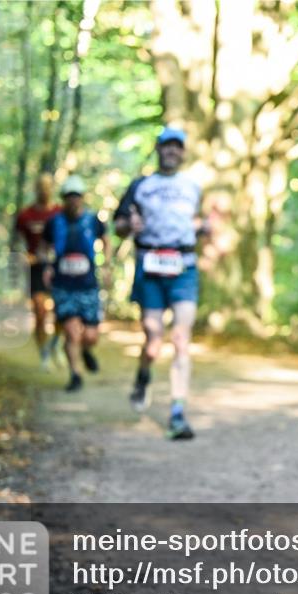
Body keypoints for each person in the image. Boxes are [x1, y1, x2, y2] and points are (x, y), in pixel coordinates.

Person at [114, 126, 209, 440]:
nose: (172, 151)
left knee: (181, 338)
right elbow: (118, 226)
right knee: (153, 339)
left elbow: (200, 223)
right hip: (150, 267)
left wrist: (206, 229)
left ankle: (177, 413)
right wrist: (129, 225)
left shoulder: (193, 186)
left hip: (184, 267)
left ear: (183, 152)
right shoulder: (140, 186)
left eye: (177, 146)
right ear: (158, 149)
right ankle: (143, 376)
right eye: (167, 145)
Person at [42, 175, 109, 392]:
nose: (73, 199)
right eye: (69, 196)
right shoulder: (54, 222)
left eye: (76, 195)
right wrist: (47, 266)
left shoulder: (92, 221)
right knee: (71, 331)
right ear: (63, 198)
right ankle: (76, 375)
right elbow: (44, 247)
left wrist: (106, 265)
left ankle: (86, 350)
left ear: (82, 197)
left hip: (88, 285)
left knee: (90, 336)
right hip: (63, 286)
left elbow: (106, 240)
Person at [14, 174, 62, 369]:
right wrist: (23, 256)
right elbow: (17, 243)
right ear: (35, 189)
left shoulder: (60, 213)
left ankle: (55, 344)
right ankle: (44, 354)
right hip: (35, 268)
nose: (44, 190)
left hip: (58, 267)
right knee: (40, 311)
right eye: (41, 186)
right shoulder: (25, 215)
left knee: (63, 311)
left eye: (48, 186)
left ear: (53, 188)